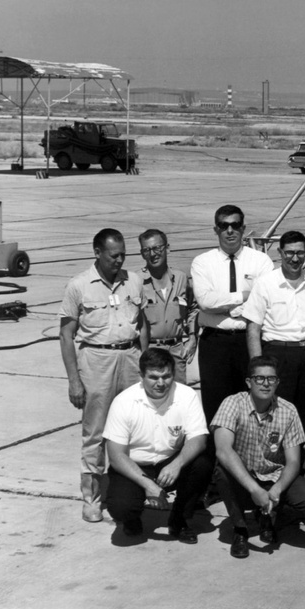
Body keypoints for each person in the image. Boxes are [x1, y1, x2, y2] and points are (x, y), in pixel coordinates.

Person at [60, 228, 147, 522]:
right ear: (97, 253)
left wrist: (144, 361)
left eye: (123, 254)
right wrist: (74, 380)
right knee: (95, 433)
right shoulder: (79, 286)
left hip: (131, 359)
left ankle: (134, 491)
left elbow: (143, 323)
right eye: (114, 255)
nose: (119, 261)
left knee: (134, 430)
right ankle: (93, 498)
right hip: (96, 361)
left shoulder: (133, 281)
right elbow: (66, 335)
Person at [211, 355, 305, 559]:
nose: (265, 383)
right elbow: (223, 450)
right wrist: (254, 490)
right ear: (248, 382)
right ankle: (240, 530)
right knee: (221, 471)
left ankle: (270, 518)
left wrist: (277, 490)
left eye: (271, 379)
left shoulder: (288, 410)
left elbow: (294, 461)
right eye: (259, 378)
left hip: (273, 476)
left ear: (278, 382)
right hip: (243, 477)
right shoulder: (232, 403)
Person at [103, 347, 212, 540]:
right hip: (134, 466)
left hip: (169, 462)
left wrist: (176, 465)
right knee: (120, 508)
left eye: (167, 376)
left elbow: (199, 439)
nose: (161, 383)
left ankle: (179, 518)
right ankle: (132, 518)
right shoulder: (123, 402)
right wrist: (148, 485)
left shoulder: (187, 396)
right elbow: (116, 456)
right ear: (141, 375)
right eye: (153, 377)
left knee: (203, 463)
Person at [191, 205, 273, 422]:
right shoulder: (202, 262)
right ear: (215, 229)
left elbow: (264, 302)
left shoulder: (261, 261)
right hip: (215, 343)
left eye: (235, 225)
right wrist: (242, 298)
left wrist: (225, 304)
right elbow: (205, 302)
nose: (230, 230)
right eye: (224, 226)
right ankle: (216, 454)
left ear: (243, 228)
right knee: (215, 406)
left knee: (251, 405)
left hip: (249, 341)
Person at [243, 230, 305, 433]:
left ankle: (303, 460)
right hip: (278, 354)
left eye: (300, 253)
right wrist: (258, 368)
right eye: (289, 252)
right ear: (280, 252)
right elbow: (253, 328)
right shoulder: (266, 283)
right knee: (278, 413)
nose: (295, 258)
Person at [138, 229, 196, 384]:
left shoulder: (181, 278)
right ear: (142, 254)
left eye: (157, 248)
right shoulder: (137, 282)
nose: (153, 254)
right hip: (150, 351)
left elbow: (193, 309)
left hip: (176, 351)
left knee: (178, 400)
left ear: (167, 248)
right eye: (147, 250)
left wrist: (192, 337)